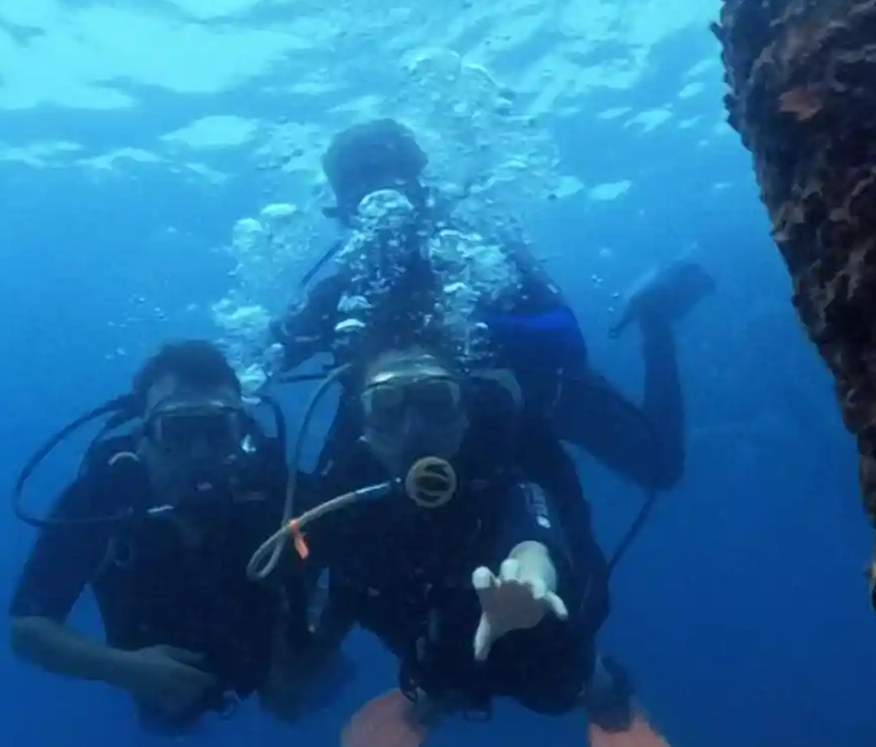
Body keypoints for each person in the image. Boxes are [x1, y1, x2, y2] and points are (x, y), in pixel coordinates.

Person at [294, 330, 677, 747]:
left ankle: (603, 693)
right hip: (431, 652)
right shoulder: (342, 499)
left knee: (557, 683)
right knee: (439, 675)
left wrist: (531, 584)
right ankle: (434, 699)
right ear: (365, 427)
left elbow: (535, 534)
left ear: (464, 415)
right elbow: (331, 593)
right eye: (387, 405)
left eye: (435, 401)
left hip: (535, 641)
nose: (414, 428)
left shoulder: (504, 474)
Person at [272, 118, 709, 500]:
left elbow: (566, 338)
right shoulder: (341, 288)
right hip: (388, 418)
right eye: (361, 192)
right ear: (344, 212)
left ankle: (653, 316)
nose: (381, 205)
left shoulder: (479, 250)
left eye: (386, 182)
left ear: (419, 185)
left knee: (660, 468)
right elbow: (264, 363)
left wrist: (475, 329)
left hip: (523, 395)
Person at [10, 340, 308, 728]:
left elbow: (350, 548)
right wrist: (127, 669)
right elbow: (28, 629)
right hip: (157, 687)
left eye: (217, 430)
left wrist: (305, 637)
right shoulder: (104, 497)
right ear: (145, 432)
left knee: (302, 699)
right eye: (179, 430)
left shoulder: (271, 487)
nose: (200, 452)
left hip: (269, 666)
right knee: (169, 722)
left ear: (242, 428)